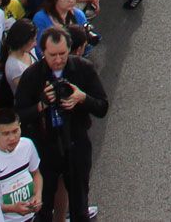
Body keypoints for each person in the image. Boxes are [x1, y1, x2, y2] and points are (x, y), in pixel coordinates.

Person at [9, 28, 105, 222]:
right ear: (42, 52)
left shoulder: (83, 68)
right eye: (53, 55)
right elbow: (19, 115)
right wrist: (41, 105)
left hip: (77, 143)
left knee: (80, 206)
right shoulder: (32, 76)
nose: (59, 59)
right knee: (44, 209)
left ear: (70, 49)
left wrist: (81, 97)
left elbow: (102, 107)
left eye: (63, 53)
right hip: (45, 147)